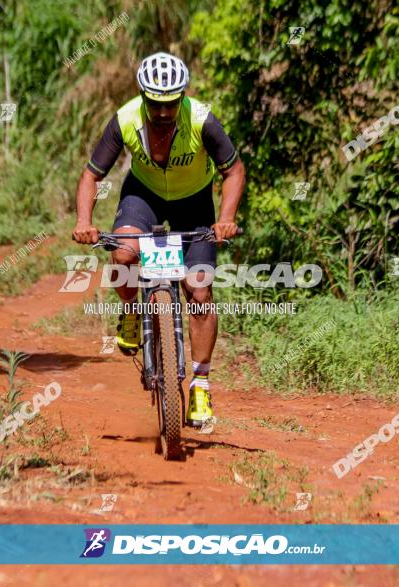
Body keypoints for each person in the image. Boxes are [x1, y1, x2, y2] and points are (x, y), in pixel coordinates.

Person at [71, 51, 245, 428]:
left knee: (199, 291)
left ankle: (200, 384)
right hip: (143, 196)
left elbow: (234, 171)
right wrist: (84, 221)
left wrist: (227, 218)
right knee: (123, 257)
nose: (163, 113)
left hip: (194, 201)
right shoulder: (125, 119)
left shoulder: (202, 120)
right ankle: (132, 311)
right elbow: (90, 176)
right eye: (155, 104)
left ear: (182, 97)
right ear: (144, 97)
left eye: (171, 104)